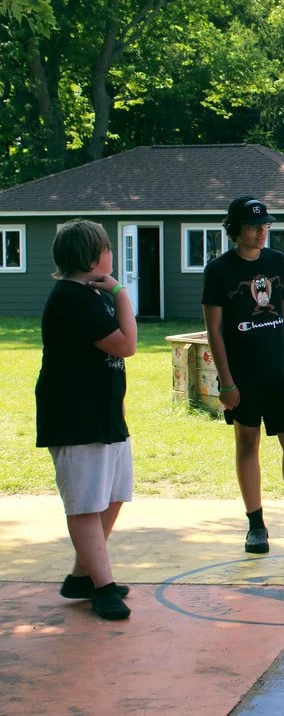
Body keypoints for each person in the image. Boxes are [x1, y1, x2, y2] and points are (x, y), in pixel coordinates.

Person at [201, 196, 284, 555]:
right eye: (253, 226)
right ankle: (256, 526)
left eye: (265, 226)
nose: (261, 232)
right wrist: (226, 381)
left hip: (281, 373)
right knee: (248, 444)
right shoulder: (218, 270)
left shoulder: (278, 262)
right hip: (244, 376)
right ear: (235, 229)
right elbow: (214, 330)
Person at [36, 218, 138, 620]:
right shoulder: (71, 298)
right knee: (85, 503)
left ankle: (83, 575)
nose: (111, 254)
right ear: (95, 256)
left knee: (112, 496)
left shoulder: (92, 295)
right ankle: (103, 587)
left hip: (105, 410)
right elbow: (127, 345)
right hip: (74, 413)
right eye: (107, 247)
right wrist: (122, 295)